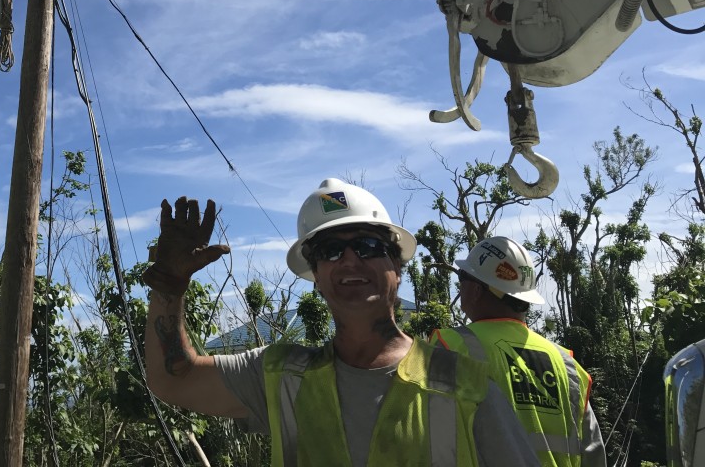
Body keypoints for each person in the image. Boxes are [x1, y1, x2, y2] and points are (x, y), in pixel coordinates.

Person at [142, 178, 541, 467]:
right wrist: (170, 286)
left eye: (368, 245)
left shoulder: (468, 388)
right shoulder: (280, 375)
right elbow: (173, 379)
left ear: (397, 269)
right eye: (330, 250)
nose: (349, 260)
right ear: (315, 277)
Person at [430, 236, 607, 467]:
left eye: (462, 277)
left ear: (475, 290)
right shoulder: (567, 365)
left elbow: (427, 440)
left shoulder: (450, 346)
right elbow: (593, 454)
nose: (459, 285)